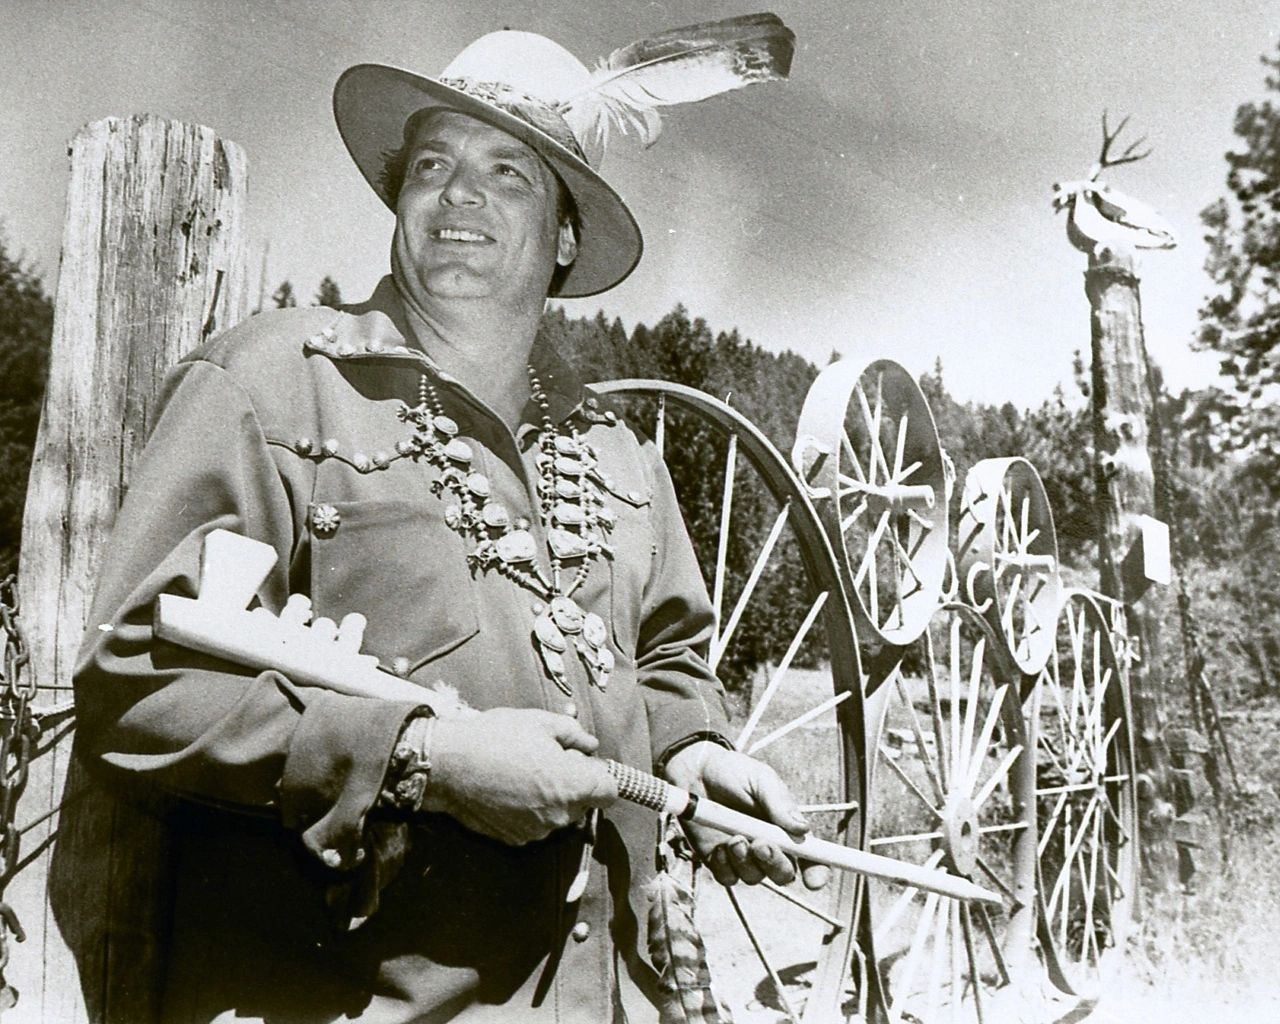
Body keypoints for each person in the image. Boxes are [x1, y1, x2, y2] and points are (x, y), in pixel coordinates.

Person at [74, 20, 819, 1024]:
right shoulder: (267, 389)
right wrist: (423, 761)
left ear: (563, 235)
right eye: (433, 163)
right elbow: (136, 681)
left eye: (508, 173)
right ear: (400, 200)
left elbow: (668, 664)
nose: (459, 192)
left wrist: (695, 756)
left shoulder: (620, 454)